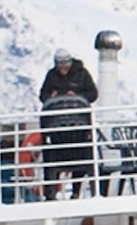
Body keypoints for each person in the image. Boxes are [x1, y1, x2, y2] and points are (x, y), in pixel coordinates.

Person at [38, 47, 100, 195]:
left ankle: (76, 191)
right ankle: (50, 192)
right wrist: (51, 97)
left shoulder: (82, 74)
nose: (62, 68)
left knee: (81, 155)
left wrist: (78, 95)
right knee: (51, 156)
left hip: (79, 128)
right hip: (57, 131)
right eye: (59, 65)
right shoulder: (51, 75)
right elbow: (42, 95)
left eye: (65, 64)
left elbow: (93, 94)